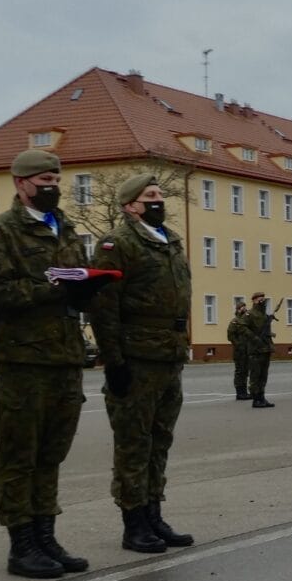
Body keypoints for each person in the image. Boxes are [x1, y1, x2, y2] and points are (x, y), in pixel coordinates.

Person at [0, 148, 100, 580]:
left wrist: (87, 286)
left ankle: (46, 535)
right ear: (20, 184)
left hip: (65, 356)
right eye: (42, 181)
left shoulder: (64, 227)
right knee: (19, 456)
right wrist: (56, 288)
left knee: (51, 455)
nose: (51, 187)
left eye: (55, 180)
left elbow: (75, 278)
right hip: (24, 359)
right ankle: (21, 543)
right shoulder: (0, 231)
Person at [88, 173, 195, 553]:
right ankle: (133, 522)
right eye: (150, 196)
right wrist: (114, 360)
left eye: (160, 195)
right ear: (131, 204)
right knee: (134, 442)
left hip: (168, 356)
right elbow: (104, 307)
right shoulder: (117, 244)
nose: (158, 200)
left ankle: (153, 513)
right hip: (136, 357)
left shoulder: (170, 241)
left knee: (160, 440)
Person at [243, 291, 276, 407]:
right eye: (259, 299)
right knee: (255, 375)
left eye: (263, 299)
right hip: (255, 349)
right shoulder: (249, 314)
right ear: (254, 300)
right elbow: (243, 328)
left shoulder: (265, 315)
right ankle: (256, 398)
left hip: (265, 348)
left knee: (263, 375)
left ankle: (262, 397)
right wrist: (254, 338)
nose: (262, 301)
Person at [226, 300, 253, 399]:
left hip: (247, 350)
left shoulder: (246, 321)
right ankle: (239, 392)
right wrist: (238, 345)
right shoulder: (235, 321)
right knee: (240, 371)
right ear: (238, 309)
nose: (245, 309)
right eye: (242, 307)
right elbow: (230, 336)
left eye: (245, 307)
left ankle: (244, 392)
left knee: (245, 371)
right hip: (239, 351)